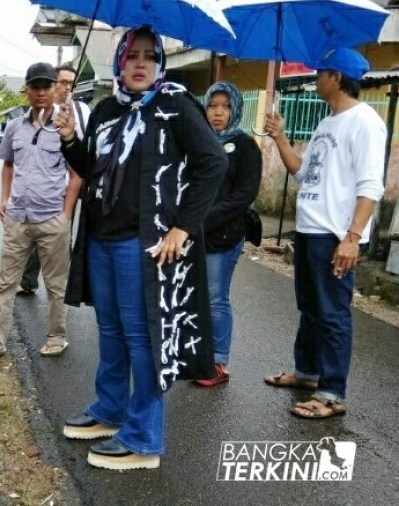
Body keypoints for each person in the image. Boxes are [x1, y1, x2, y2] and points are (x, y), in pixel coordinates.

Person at [54, 25, 227, 470]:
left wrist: (182, 228)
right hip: (102, 238)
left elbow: (213, 162)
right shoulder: (106, 109)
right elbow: (92, 169)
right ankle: (110, 411)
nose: (141, 63)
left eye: (150, 56)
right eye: (133, 55)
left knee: (142, 338)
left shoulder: (176, 106)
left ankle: (144, 439)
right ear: (119, 62)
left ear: (161, 64)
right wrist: (71, 138)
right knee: (110, 331)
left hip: (144, 244)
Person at [263, 48, 386, 419]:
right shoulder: (327, 122)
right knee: (311, 309)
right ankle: (307, 374)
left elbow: (371, 186)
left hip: (335, 234)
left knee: (333, 313)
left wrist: (352, 237)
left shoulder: (365, 122)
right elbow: (304, 173)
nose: (316, 78)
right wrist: (281, 138)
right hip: (310, 230)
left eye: (321, 73)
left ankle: (331, 393)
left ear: (337, 77)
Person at [0, 63, 83, 364]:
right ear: (27, 90)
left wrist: (66, 215)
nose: (41, 92)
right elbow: (8, 164)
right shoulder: (14, 127)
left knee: (55, 285)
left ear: (54, 90)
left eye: (47, 87)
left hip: (51, 218)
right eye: (35, 87)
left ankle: (56, 337)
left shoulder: (65, 126)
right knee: (6, 283)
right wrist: (4, 198)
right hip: (18, 218)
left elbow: (77, 175)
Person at [193, 81, 262, 387]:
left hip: (223, 235)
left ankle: (219, 361)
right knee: (195, 298)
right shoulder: (199, 141)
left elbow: (243, 195)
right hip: (193, 234)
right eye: (212, 105)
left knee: (216, 298)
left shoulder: (245, 146)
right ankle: (197, 356)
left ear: (235, 109)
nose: (218, 112)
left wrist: (203, 219)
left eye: (225, 106)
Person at [18, 64, 91, 295]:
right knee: (41, 229)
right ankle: (29, 280)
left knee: (65, 231)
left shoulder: (82, 110)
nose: (66, 87)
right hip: (51, 184)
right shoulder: (42, 111)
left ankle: (64, 283)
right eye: (62, 82)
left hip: (77, 177)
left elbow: (87, 144)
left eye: (71, 83)